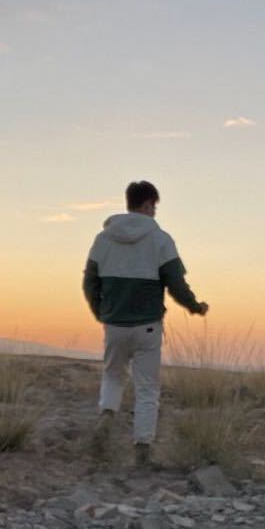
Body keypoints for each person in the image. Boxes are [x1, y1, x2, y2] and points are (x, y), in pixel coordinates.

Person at [83, 180, 209, 467]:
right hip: (148, 326)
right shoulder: (161, 239)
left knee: (113, 375)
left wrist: (101, 312)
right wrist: (195, 306)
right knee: (147, 389)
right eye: (154, 206)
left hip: (114, 323)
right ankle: (142, 448)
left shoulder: (103, 239)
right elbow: (176, 284)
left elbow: (89, 282)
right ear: (148, 204)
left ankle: (106, 414)